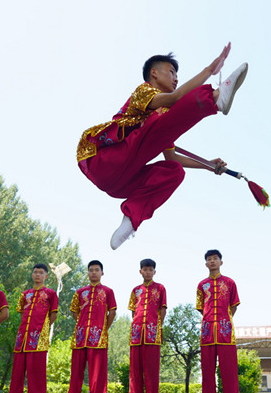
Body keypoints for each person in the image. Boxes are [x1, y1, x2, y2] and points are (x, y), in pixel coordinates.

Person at [76, 43, 248, 249]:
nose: (176, 78)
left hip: (121, 182)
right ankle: (214, 98)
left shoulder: (162, 123)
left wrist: (207, 165)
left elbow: (172, 158)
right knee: (161, 119)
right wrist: (209, 71)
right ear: (154, 73)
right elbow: (175, 99)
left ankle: (131, 219)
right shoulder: (144, 92)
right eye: (172, 72)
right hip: (103, 161)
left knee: (174, 172)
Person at [58, 260, 116, 393]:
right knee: (75, 373)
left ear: (102, 273)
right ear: (88, 273)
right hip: (80, 337)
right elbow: (74, 312)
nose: (94, 272)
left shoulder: (108, 292)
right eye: (91, 270)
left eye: (97, 270)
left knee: (97, 374)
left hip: (98, 338)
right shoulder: (80, 292)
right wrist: (82, 325)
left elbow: (112, 313)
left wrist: (103, 328)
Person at [2, 263, 58, 393]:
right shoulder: (25, 294)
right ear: (32, 275)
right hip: (22, 337)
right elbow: (21, 314)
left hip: (39, 337)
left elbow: (53, 315)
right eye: (35, 272)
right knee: (17, 371)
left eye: (41, 273)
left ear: (46, 276)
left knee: (37, 372)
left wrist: (43, 328)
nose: (38, 275)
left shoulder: (50, 294)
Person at [195, 249, 242, 393]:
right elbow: (201, 307)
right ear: (206, 263)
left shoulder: (229, 282)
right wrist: (211, 321)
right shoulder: (202, 285)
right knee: (207, 371)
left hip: (225, 332)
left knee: (229, 370)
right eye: (209, 259)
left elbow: (234, 305)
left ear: (221, 262)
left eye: (215, 258)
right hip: (207, 332)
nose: (212, 261)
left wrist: (224, 320)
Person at [128, 258, 167, 393]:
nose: (148, 272)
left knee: (151, 372)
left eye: (151, 269)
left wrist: (157, 326)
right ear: (140, 271)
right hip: (137, 333)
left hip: (152, 333)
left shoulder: (160, 288)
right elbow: (132, 311)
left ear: (154, 272)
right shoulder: (135, 290)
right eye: (145, 269)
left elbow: (163, 309)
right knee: (135, 371)